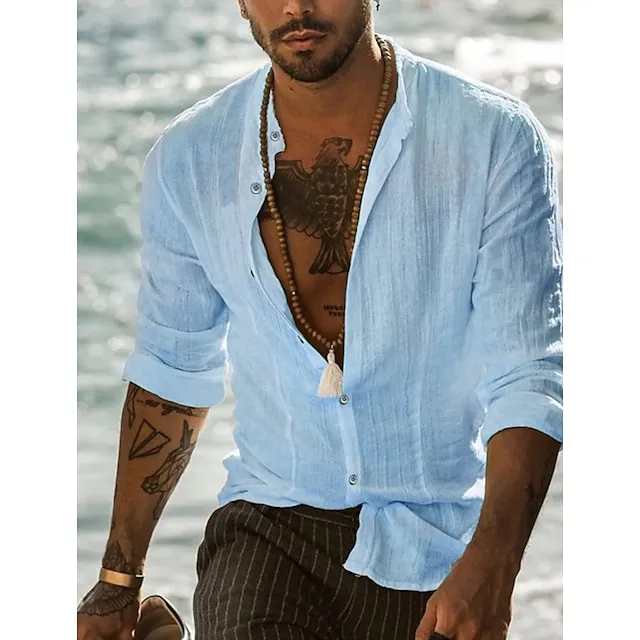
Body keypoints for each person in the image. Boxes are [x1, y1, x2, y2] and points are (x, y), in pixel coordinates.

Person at [77, 1, 563, 639]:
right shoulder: (192, 158)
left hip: (433, 542)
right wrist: (118, 579)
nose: (296, 7)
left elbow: (527, 372)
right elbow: (173, 369)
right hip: (268, 523)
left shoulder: (490, 137)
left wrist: (494, 563)